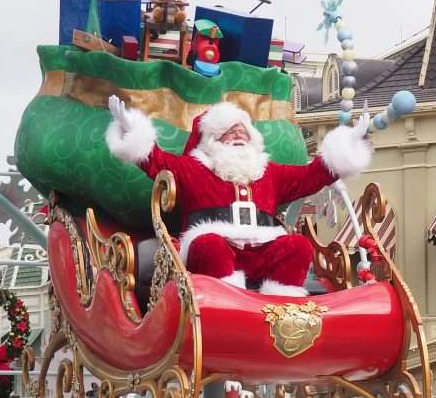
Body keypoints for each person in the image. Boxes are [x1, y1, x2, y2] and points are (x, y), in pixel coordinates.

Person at [104, 96, 373, 295]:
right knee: (210, 246)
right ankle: (227, 304)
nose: (238, 135)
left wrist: (349, 143)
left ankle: (283, 310)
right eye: (230, 132)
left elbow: (313, 175)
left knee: (298, 247)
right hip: (217, 251)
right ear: (211, 140)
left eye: (243, 131)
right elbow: (155, 160)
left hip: (263, 249)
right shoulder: (193, 168)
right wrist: (130, 128)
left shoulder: (269, 172)